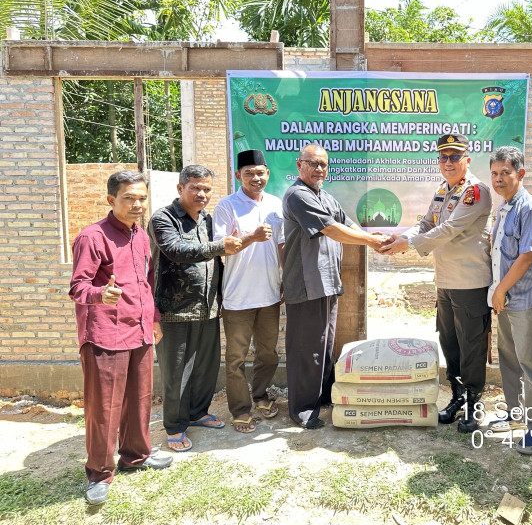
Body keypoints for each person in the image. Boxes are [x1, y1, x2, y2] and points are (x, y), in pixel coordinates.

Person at [69, 170, 172, 506]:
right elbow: (78, 287)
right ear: (111, 199)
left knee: (140, 400)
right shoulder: (92, 237)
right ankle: (98, 473)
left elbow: (147, 282)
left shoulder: (141, 237)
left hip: (139, 331)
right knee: (104, 410)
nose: (137, 204)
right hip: (105, 335)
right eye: (128, 198)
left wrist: (153, 319)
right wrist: (101, 294)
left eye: (141, 198)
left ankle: (135, 456)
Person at [380, 133, 492, 433]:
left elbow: (449, 229)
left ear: (467, 159)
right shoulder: (444, 189)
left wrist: (410, 243)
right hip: (445, 280)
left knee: (472, 346)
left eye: (455, 156)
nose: (448, 162)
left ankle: (473, 404)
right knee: (450, 342)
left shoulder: (476, 192)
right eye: (443, 157)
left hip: (470, 282)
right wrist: (404, 236)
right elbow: (427, 221)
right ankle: (456, 398)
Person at [282, 144, 388, 429]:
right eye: (313, 163)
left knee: (325, 343)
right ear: (299, 165)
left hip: (327, 282)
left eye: (323, 165)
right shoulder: (298, 195)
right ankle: (302, 410)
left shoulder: (324, 196)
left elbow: (345, 222)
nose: (319, 169)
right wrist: (370, 242)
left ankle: (321, 396)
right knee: (306, 348)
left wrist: (369, 234)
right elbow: (330, 228)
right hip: (306, 284)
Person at [149, 165, 243, 451]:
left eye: (206, 189)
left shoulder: (207, 220)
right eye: (195, 188)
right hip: (174, 310)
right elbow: (176, 251)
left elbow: (218, 258)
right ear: (180, 189)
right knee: (177, 371)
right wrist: (219, 247)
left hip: (208, 307)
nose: (202, 194)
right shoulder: (162, 219)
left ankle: (198, 412)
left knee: (206, 366)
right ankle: (175, 426)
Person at [485, 147, 532, 454]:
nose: (499, 179)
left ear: (520, 174)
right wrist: (498, 291)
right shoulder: (505, 206)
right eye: (495, 173)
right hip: (505, 299)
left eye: (505, 173)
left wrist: (500, 290)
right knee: (509, 359)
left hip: (525, 299)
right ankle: (515, 413)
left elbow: (528, 255)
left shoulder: (530, 208)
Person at [213, 150, 283, 433]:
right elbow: (221, 247)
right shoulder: (227, 206)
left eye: (261, 172)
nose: (256, 178)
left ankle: (261, 396)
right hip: (238, 297)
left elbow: (282, 245)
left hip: (269, 295)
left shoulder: (276, 205)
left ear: (268, 174)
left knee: (268, 354)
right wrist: (252, 237)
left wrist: (285, 278)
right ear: (238, 175)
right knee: (236, 358)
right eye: (249, 173)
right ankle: (241, 409)